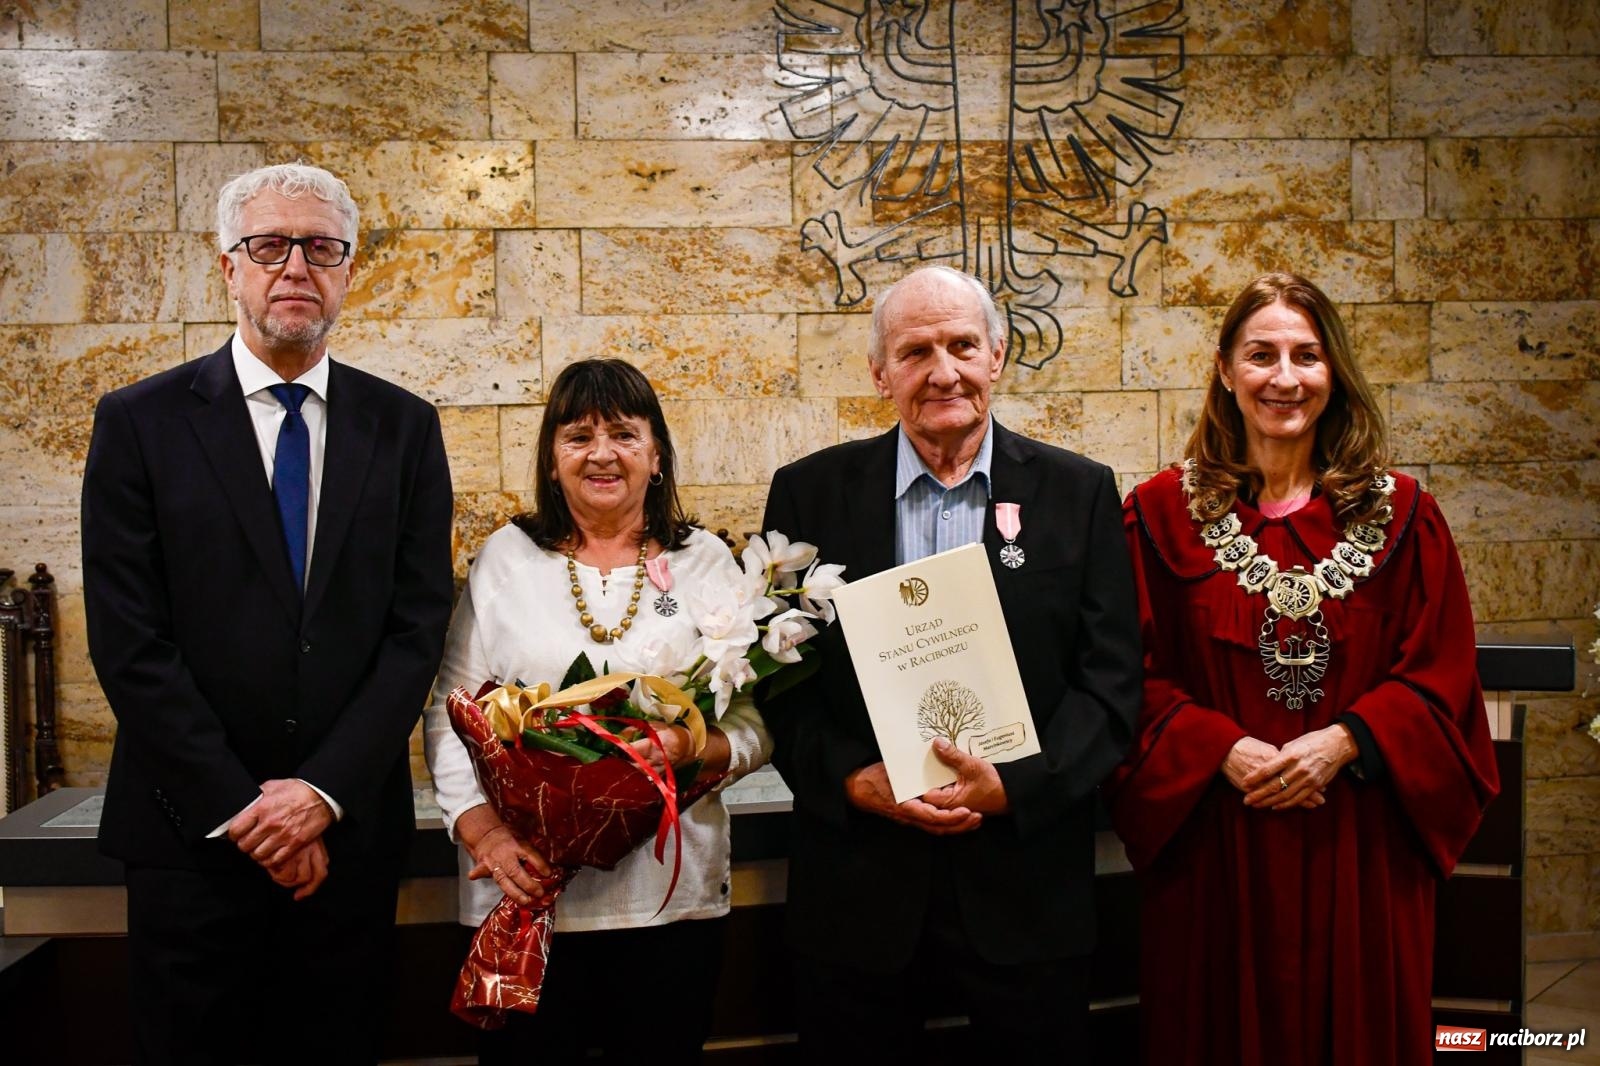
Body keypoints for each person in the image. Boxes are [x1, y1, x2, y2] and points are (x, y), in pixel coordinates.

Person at [81, 163, 454, 1063]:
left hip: (348, 838)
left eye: (322, 247)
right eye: (269, 244)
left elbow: (416, 629)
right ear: (227, 266)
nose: (296, 266)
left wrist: (320, 794)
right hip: (190, 839)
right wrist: (247, 809)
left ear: (349, 270)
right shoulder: (140, 422)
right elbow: (130, 642)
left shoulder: (404, 427)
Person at [1108, 272, 1501, 1065]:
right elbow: (1124, 674)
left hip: (1361, 845)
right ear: (1224, 369)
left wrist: (1348, 740)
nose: (1284, 378)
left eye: (1306, 356)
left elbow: (1442, 673)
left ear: (1335, 371)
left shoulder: (1406, 515)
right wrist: (1220, 745)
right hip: (1216, 842)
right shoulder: (1155, 516)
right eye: (1261, 355)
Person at [757, 265, 1142, 1062]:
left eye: (963, 344)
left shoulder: (1081, 494)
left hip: (1027, 894)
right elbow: (780, 686)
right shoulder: (808, 497)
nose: (943, 371)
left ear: (997, 354)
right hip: (859, 896)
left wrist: (1018, 786)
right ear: (879, 372)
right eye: (915, 351)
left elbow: (1109, 688)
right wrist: (850, 780)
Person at [423, 357, 771, 1064]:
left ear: (657, 455)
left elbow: (755, 727)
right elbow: (448, 712)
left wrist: (688, 749)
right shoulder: (505, 560)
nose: (602, 453)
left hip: (672, 899)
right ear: (552, 460)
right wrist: (485, 835)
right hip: (530, 896)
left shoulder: (706, 562)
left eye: (623, 433)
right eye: (578, 436)